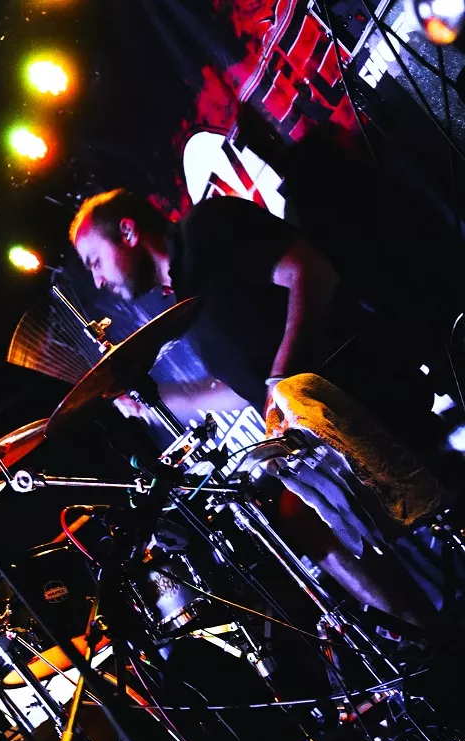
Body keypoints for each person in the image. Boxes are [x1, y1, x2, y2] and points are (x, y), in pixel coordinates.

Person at [67, 188, 450, 631]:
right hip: (329, 423)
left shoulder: (208, 227)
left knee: (300, 514)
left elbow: (311, 272)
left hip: (366, 389)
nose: (97, 281)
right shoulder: (188, 298)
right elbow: (238, 391)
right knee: (286, 515)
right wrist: (151, 403)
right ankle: (422, 634)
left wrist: (279, 379)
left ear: (128, 232)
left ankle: (430, 633)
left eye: (95, 261)